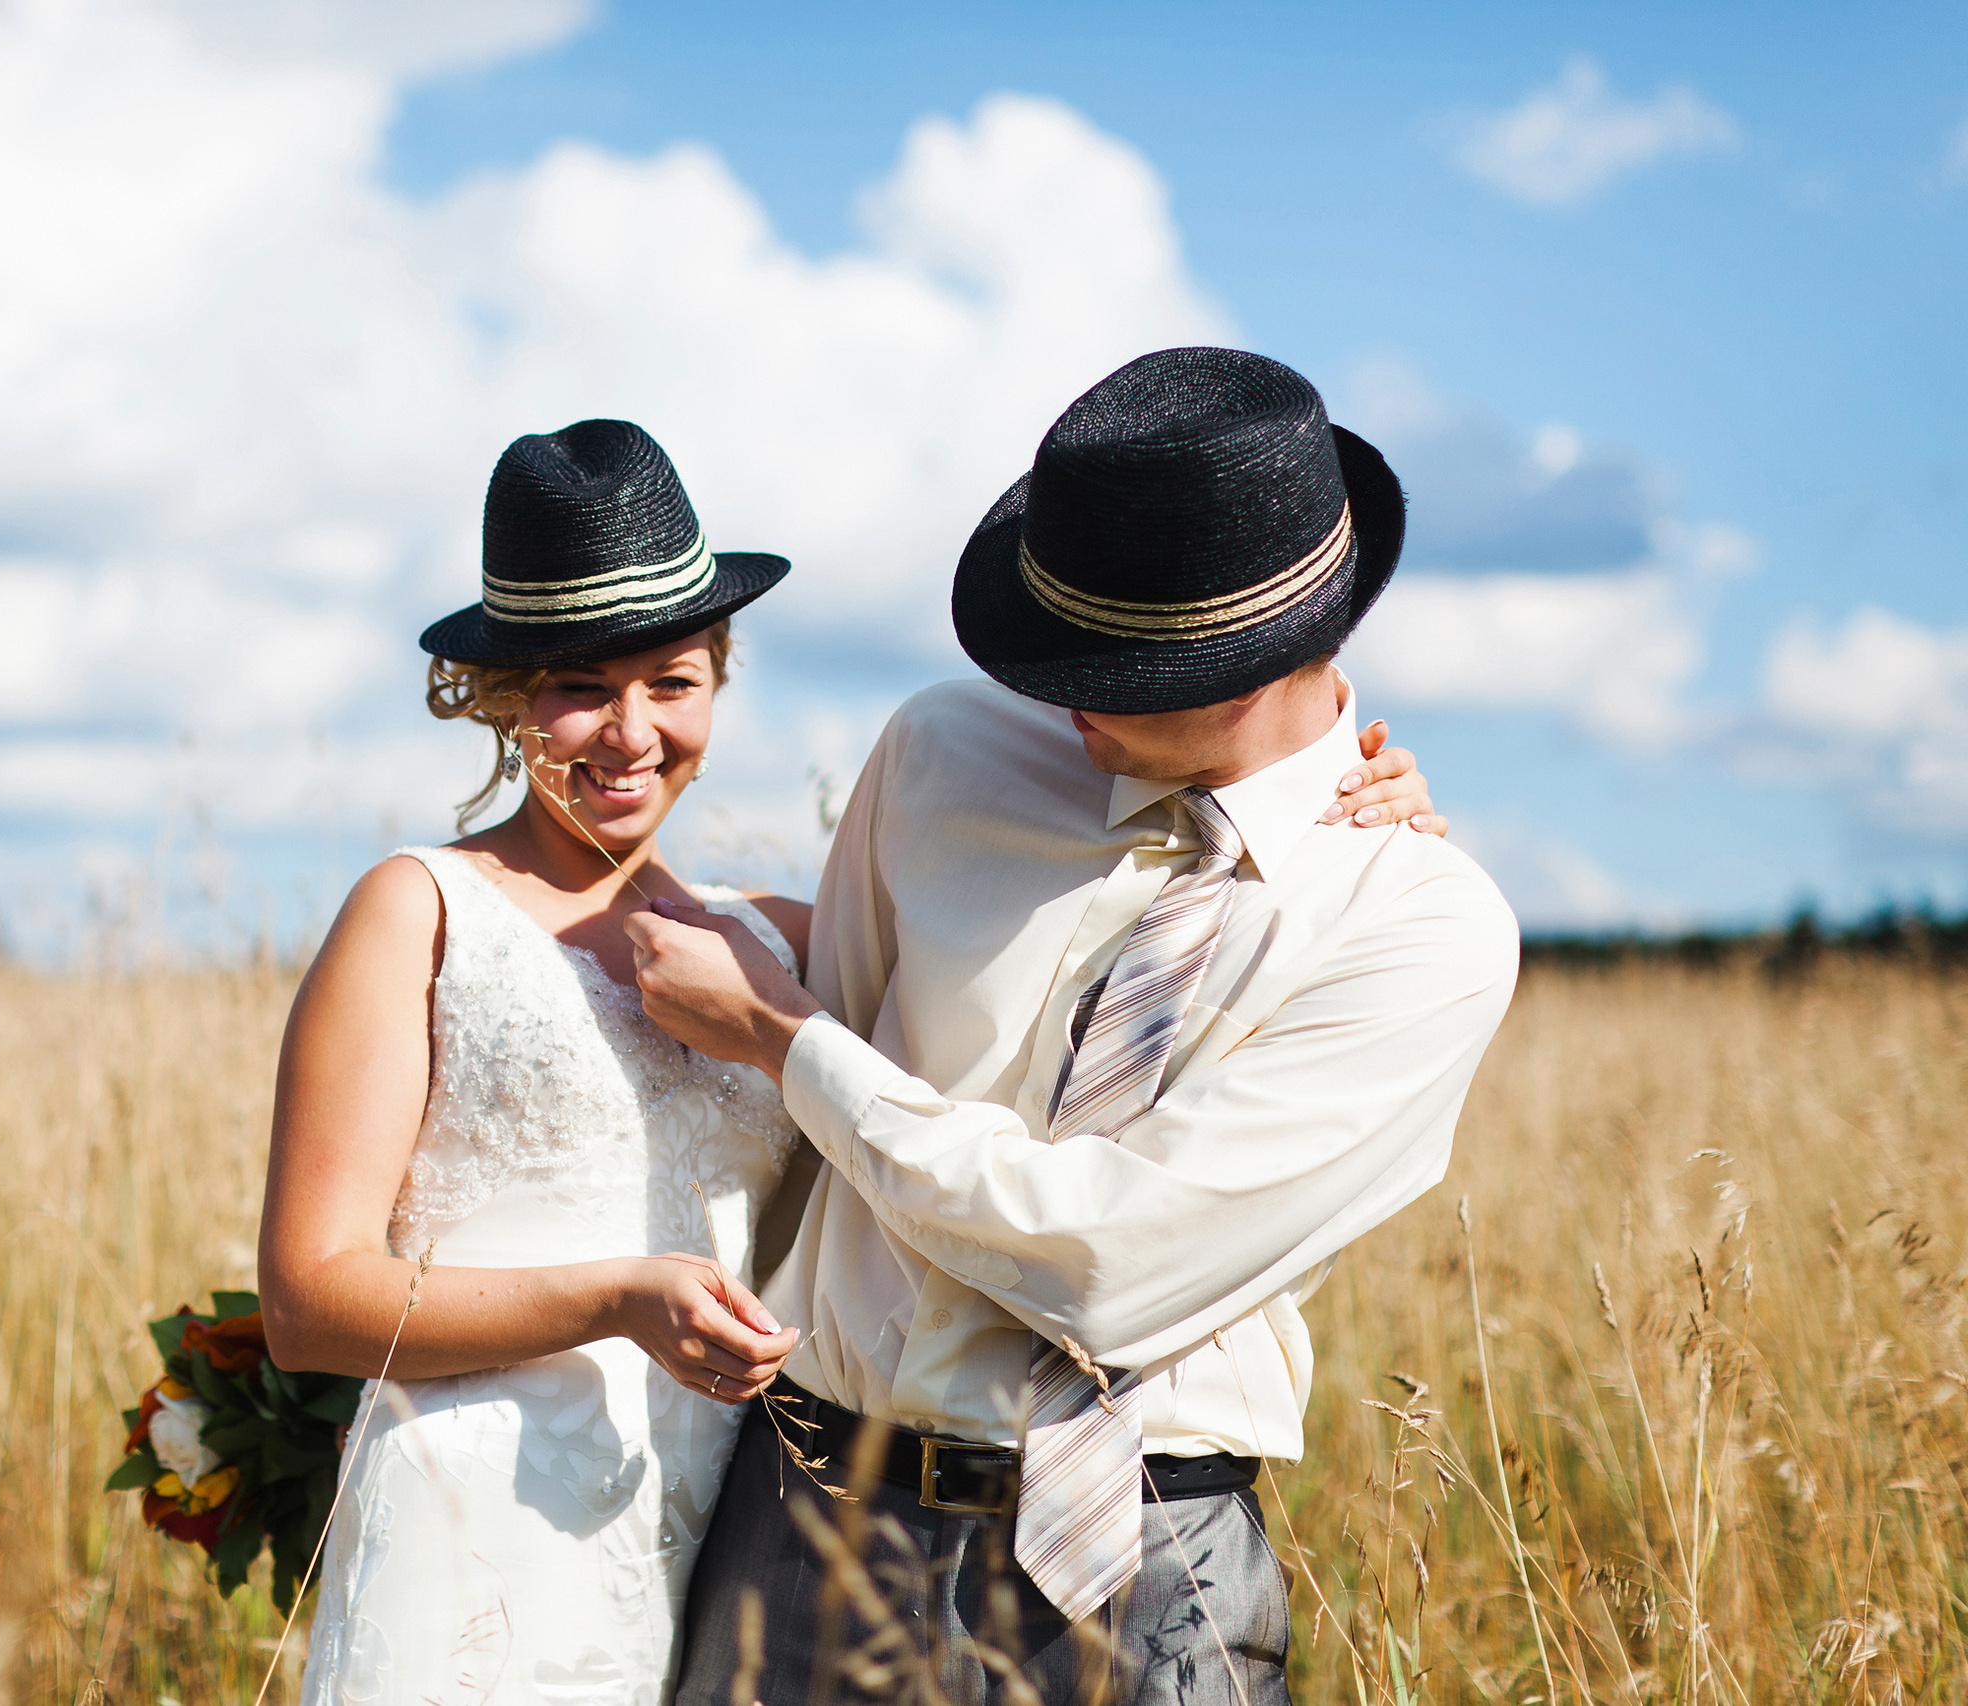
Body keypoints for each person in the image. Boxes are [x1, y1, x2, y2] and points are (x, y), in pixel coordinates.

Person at [262, 413, 1446, 1704]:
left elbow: (919, 1093)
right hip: (482, 1516)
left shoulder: (770, 942)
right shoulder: (420, 908)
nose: (629, 731)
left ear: (720, 675)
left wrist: (1334, 794)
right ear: (500, 697)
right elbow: (309, 1298)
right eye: (576, 687)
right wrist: (616, 1297)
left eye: (671, 679)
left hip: (704, 1508)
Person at [625, 348, 1523, 1704]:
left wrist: (786, 1037)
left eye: (1109, 664)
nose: (1059, 694)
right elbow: (822, 1123)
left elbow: (1108, 1265)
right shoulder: (940, 754)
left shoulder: (1419, 926)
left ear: (1261, 660)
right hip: (807, 1507)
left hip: (1142, 1570)